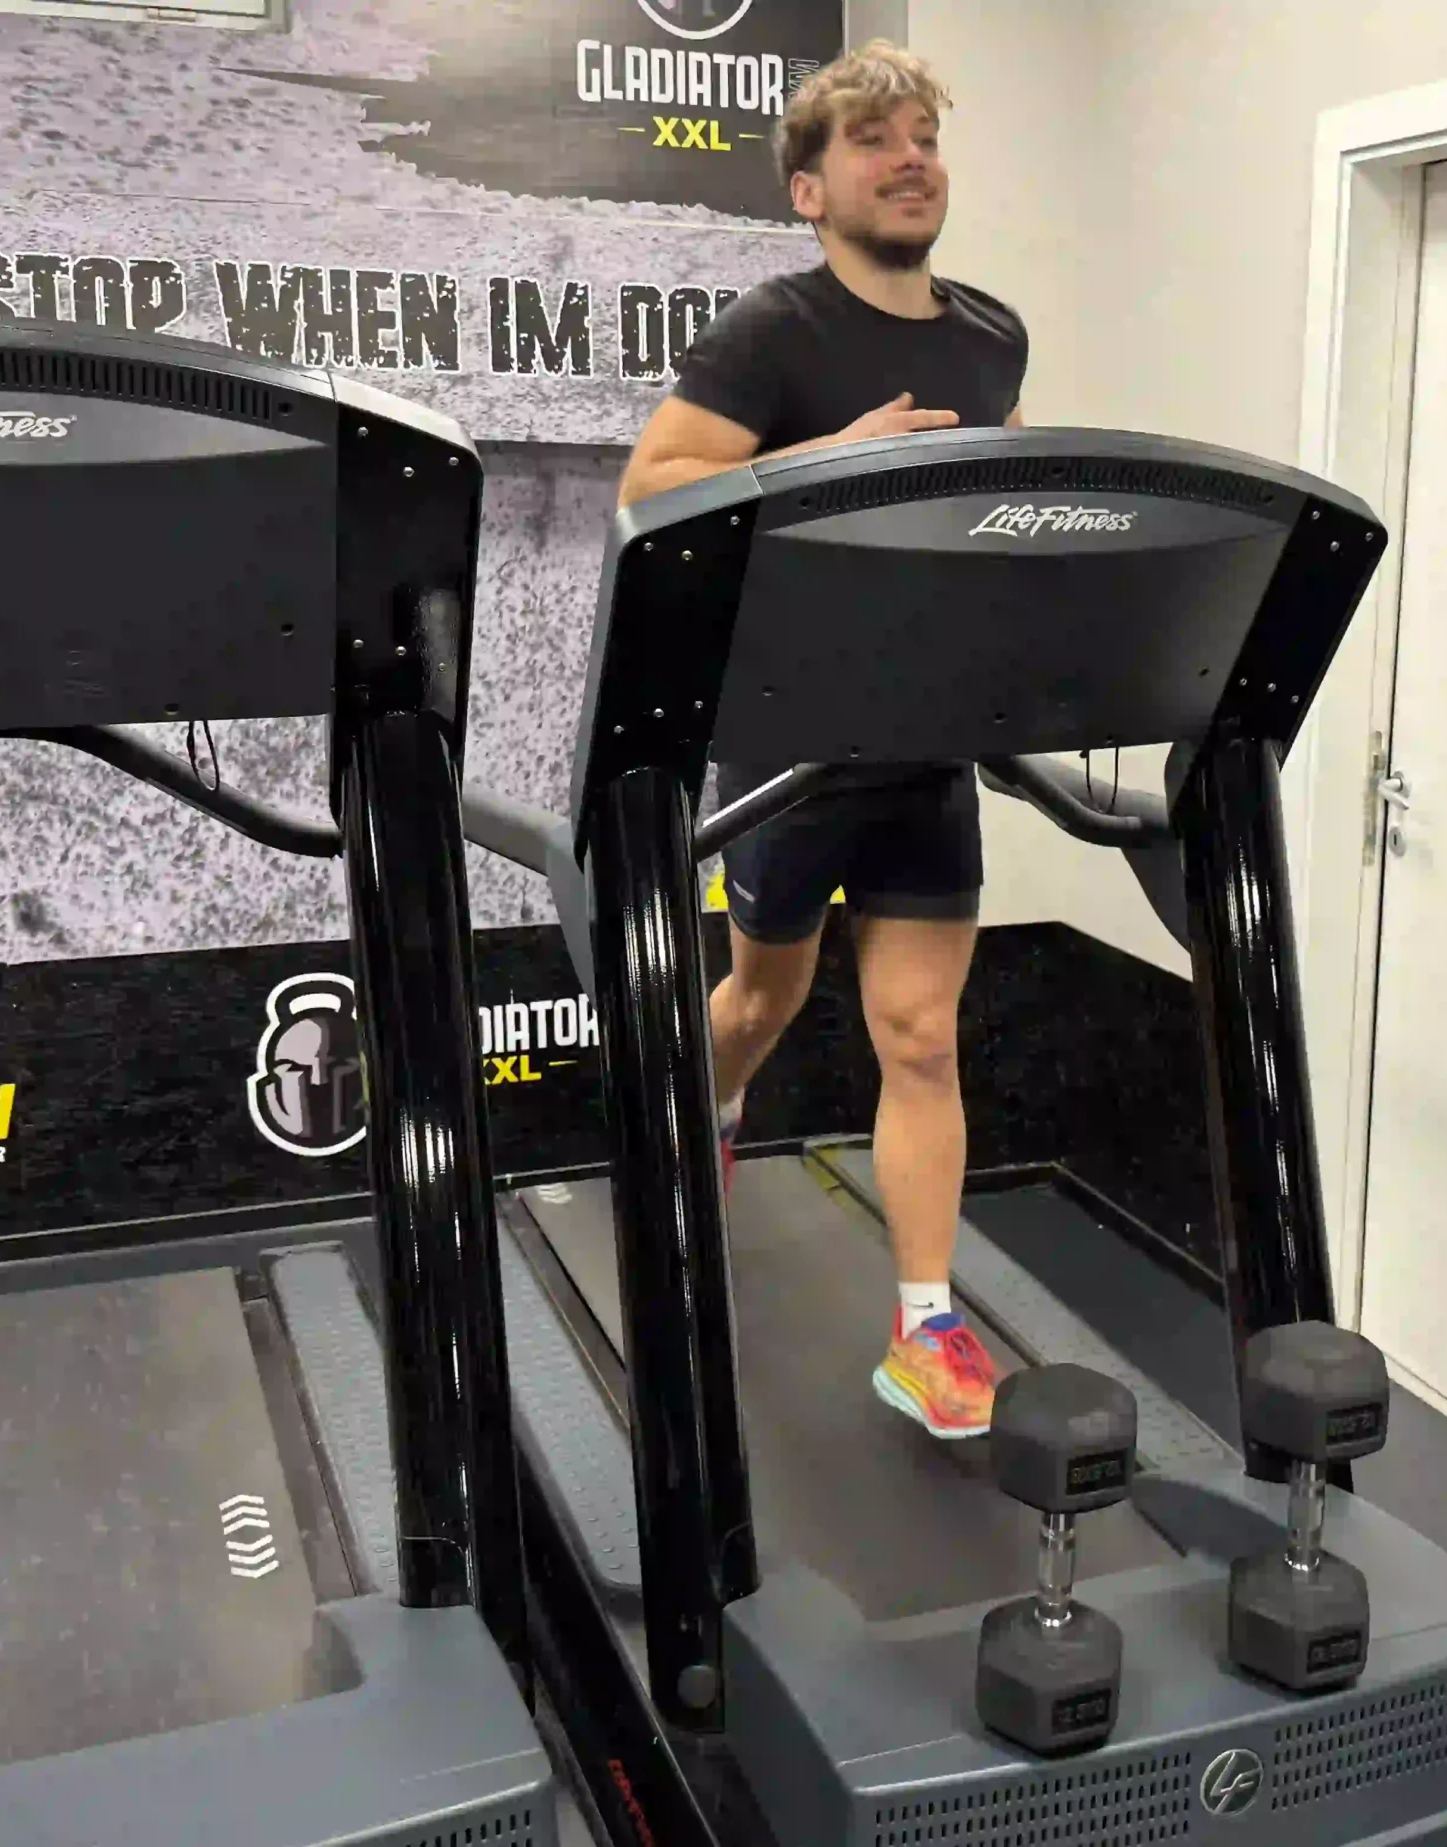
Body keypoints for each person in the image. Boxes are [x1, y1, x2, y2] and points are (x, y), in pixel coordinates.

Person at [616, 40, 1021, 1439]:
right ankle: (714, 1111)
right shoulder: (771, 333)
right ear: (810, 187)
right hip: (789, 734)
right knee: (758, 1004)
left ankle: (925, 1324)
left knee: (920, 1033)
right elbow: (654, 484)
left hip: (927, 738)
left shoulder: (988, 334)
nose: (910, 158)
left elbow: (992, 496)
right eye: (875, 141)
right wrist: (824, 456)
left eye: (924, 137)